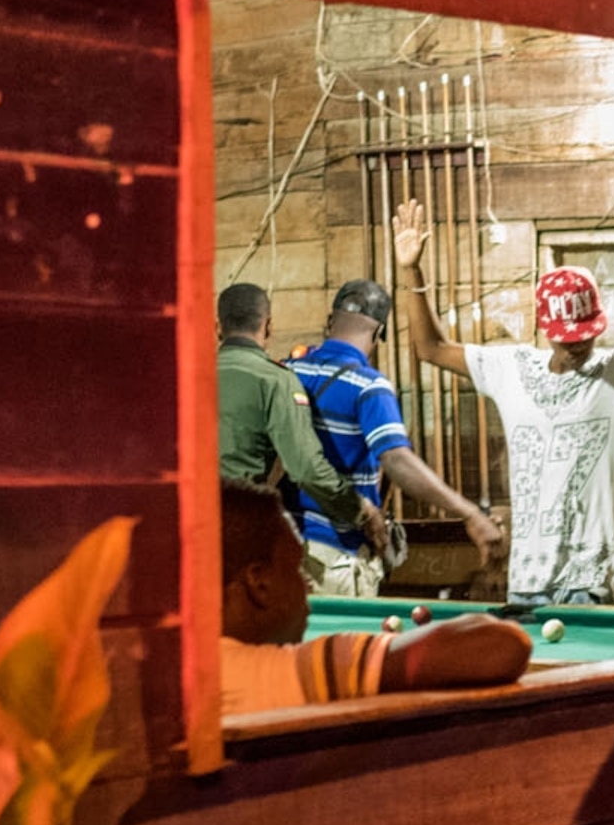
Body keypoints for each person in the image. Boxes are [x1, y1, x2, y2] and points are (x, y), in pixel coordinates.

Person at [397, 176, 614, 607]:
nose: (577, 344)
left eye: (585, 335)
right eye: (566, 337)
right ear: (545, 329)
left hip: (596, 582)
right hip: (528, 579)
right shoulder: (512, 367)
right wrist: (411, 270)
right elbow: (430, 348)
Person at [187, 484, 534, 771]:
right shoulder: (291, 671)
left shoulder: (181, 672)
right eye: (295, 569)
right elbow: (500, 646)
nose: (307, 585)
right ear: (259, 583)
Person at [288, 277, 502, 597]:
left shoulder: (287, 371)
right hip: (337, 557)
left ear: (330, 321)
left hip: (284, 550)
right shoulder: (368, 385)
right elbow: (396, 459)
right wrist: (470, 513)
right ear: (379, 334)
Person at [217, 280, 387, 559]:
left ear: (217, 327)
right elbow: (306, 468)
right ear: (268, 327)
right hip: (237, 530)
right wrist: (362, 511)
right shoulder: (275, 381)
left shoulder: (183, 379)